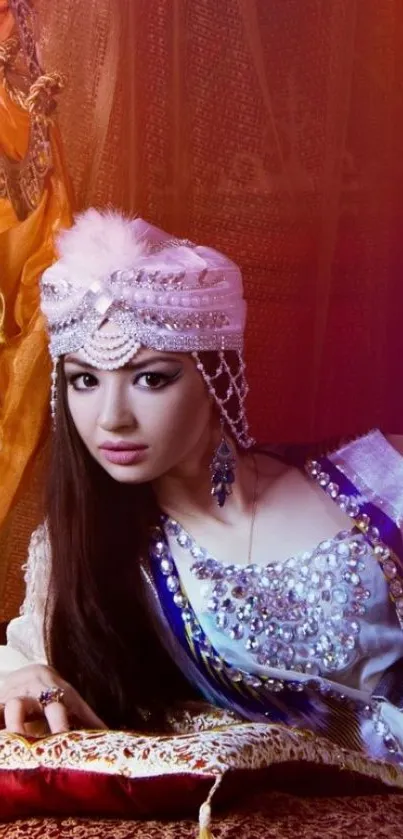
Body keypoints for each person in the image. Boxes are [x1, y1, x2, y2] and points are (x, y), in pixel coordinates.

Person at [1, 208, 403, 766]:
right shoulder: (88, 549)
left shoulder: (378, 479)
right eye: (85, 381)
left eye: (150, 378)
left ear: (217, 377)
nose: (112, 418)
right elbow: (24, 663)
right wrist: (21, 678)